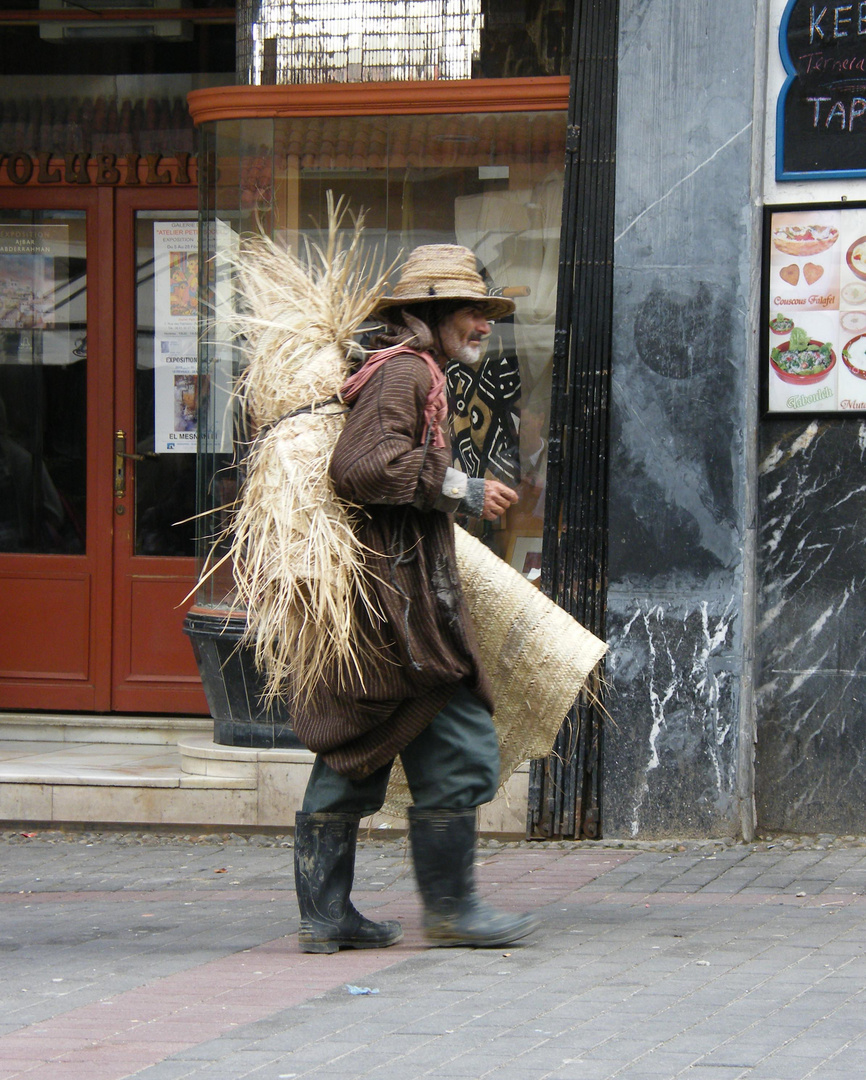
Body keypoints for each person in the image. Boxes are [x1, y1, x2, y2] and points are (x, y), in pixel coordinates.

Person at [292, 244, 538, 953]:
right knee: (455, 735)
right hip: (397, 606)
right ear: (430, 312)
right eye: (471, 311)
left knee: (355, 745)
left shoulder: (404, 369)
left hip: (389, 600)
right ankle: (451, 910)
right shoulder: (404, 371)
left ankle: (327, 917)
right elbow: (362, 465)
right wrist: (459, 486)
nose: (483, 325)